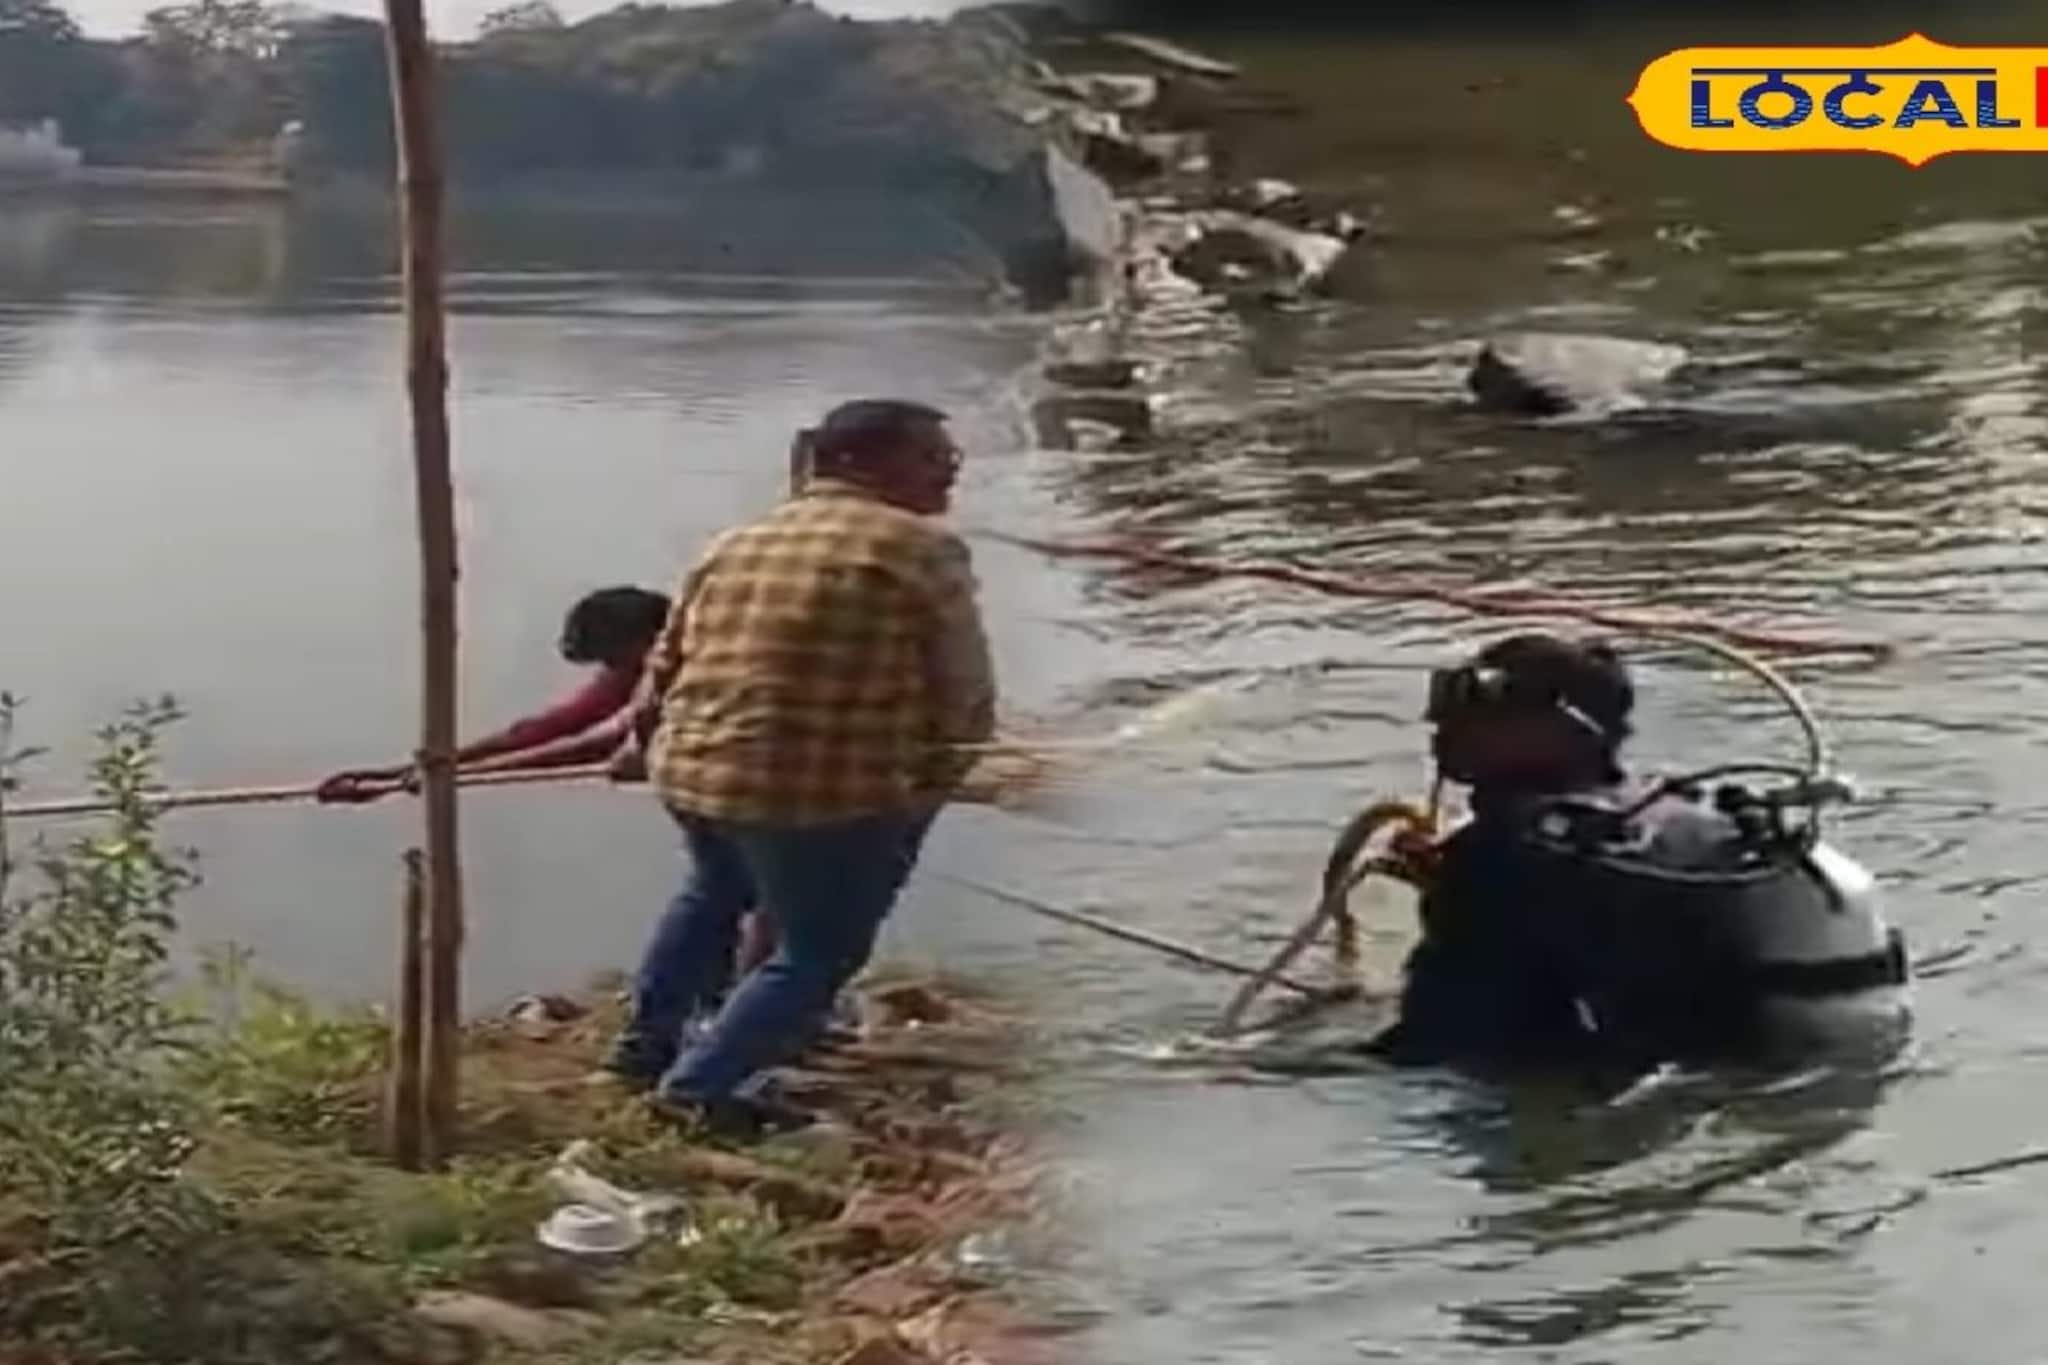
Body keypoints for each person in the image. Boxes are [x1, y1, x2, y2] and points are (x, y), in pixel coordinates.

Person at [603, 398, 997, 1133]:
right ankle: (699, 1090)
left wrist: (641, 741)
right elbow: (963, 687)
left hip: (695, 771)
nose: (949, 471)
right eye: (931, 457)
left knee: (714, 893)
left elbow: (666, 663)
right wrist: (942, 779)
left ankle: (641, 1048)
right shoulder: (919, 547)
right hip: (816, 790)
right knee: (820, 949)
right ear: (856, 461)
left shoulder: (739, 538)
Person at [1366, 633, 1638, 1070]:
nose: (1443, 730)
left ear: (1561, 728)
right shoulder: (1670, 816)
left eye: (1484, 711)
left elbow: (1436, 1044)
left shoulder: (1500, 854)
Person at [317, 586, 672, 799]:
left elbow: (597, 744)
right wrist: (403, 772)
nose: (610, 669)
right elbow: (551, 728)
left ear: (647, 641)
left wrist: (447, 776)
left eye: (614, 658)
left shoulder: (682, 668)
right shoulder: (631, 668)